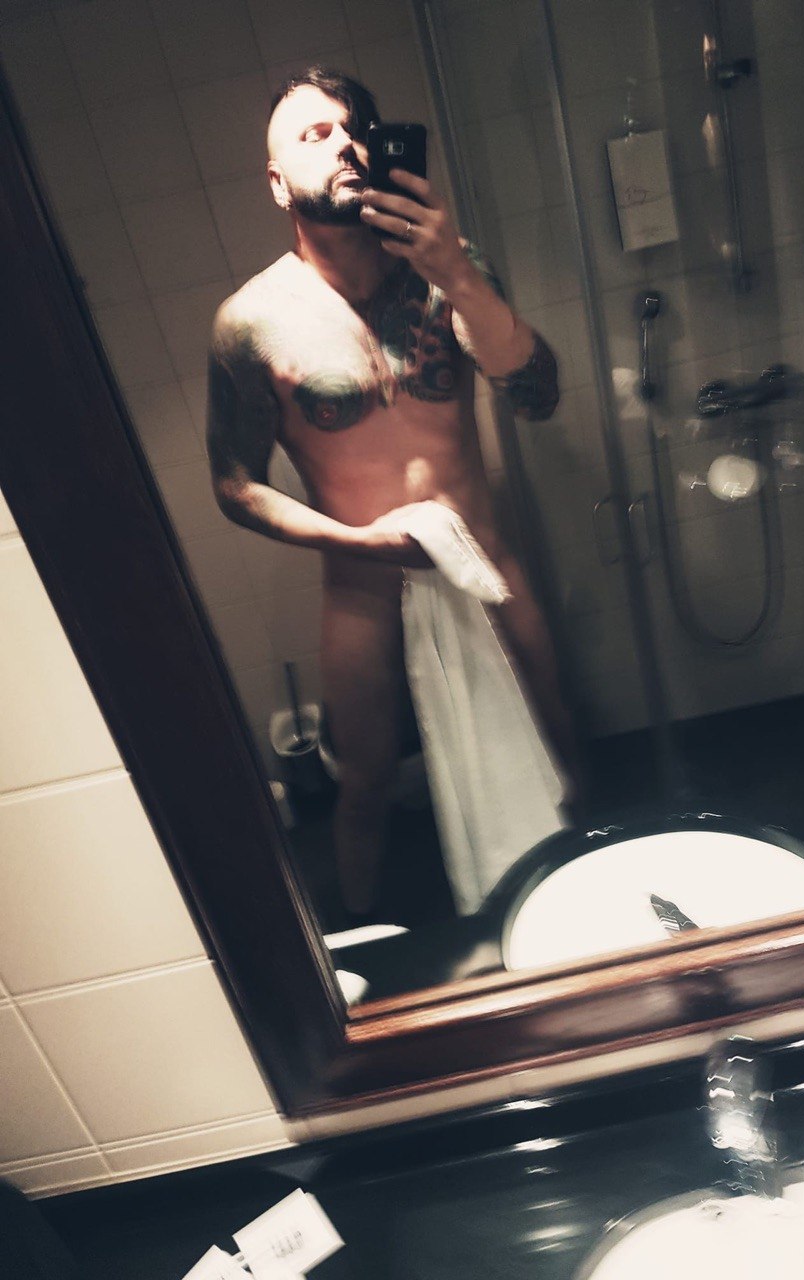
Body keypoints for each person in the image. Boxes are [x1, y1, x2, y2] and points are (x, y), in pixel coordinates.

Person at [207, 67, 574, 921]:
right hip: (362, 585)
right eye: (314, 134)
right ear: (277, 184)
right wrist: (360, 542)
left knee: (559, 746)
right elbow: (234, 484)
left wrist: (460, 275)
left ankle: (582, 926)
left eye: (353, 128)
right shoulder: (251, 322)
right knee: (365, 790)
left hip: (485, 565)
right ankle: (370, 962)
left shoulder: (449, 271)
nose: (343, 143)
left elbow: (539, 396)